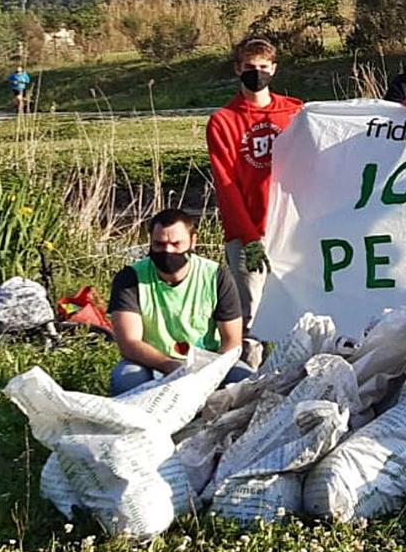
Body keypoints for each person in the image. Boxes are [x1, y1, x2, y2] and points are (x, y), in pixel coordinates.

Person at [207, 38, 304, 332]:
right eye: (250, 67)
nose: (257, 72)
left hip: (292, 231)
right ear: (238, 69)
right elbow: (226, 184)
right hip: (249, 233)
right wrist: (248, 238)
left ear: (273, 69)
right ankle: (248, 375)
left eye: (263, 66)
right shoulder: (222, 121)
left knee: (301, 312)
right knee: (251, 318)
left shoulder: (296, 112)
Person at [107, 209, 253, 396]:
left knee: (245, 381)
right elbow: (129, 343)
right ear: (150, 242)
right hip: (150, 362)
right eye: (159, 244)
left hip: (208, 362)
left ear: (193, 241)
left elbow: (232, 340)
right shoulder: (130, 278)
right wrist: (171, 366)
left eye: (176, 244)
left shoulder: (216, 276)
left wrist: (210, 373)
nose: (167, 251)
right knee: (127, 379)